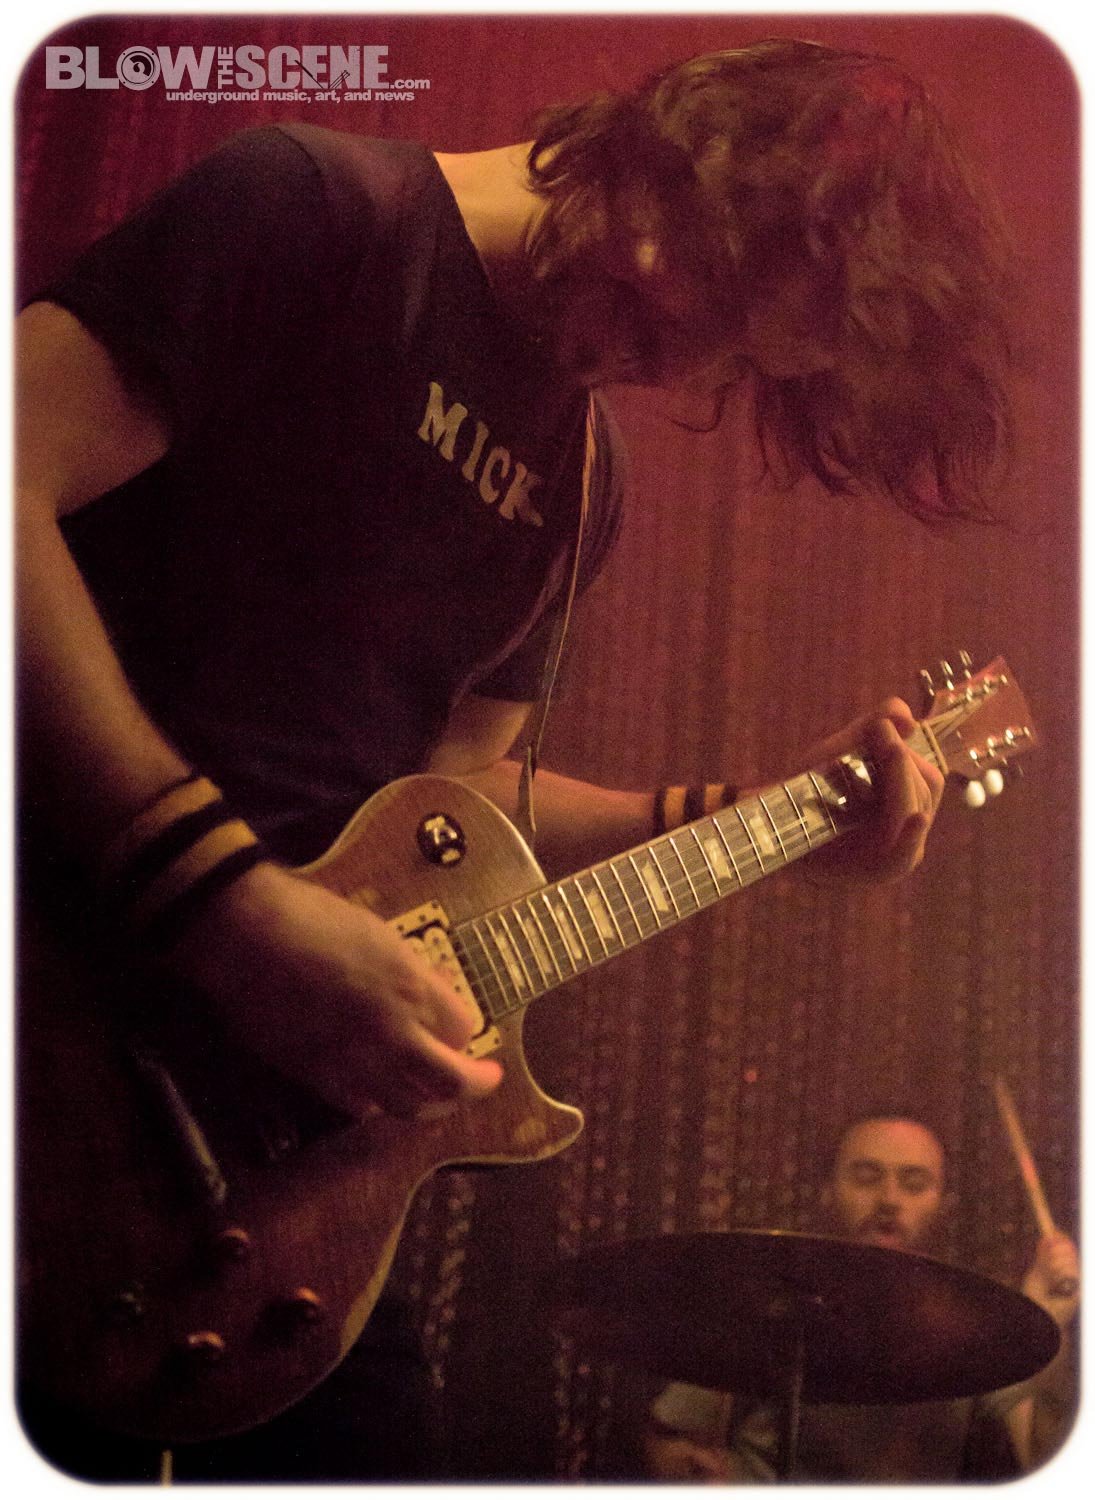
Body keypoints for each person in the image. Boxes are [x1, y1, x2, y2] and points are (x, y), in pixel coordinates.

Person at [18, 38, 1012, 1481]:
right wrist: (217, 899)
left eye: (744, 362)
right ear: (679, 171)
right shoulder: (310, 210)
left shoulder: (581, 486)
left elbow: (461, 806)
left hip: (263, 1161)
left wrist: (761, 813)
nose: (691, 366)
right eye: (708, 303)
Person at [643, 1111, 1081, 1482]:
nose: (889, 1199)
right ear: (827, 1192)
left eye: (914, 1183)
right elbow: (669, 1437)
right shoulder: (768, 1302)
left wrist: (1049, 1325)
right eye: (866, 1178)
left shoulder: (973, 1325)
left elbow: (1040, 1455)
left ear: (944, 1206)